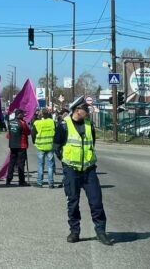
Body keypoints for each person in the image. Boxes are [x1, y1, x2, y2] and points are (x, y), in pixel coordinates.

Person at [54, 96, 112, 246]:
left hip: (89, 170)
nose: (88, 112)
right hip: (71, 171)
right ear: (77, 110)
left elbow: (91, 143)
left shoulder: (89, 125)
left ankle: (101, 231)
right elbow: (57, 146)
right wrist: (66, 161)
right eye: (86, 110)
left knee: (96, 202)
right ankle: (74, 231)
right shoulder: (63, 126)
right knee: (73, 202)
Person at [6, 109, 30, 187]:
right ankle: (21, 181)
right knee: (21, 164)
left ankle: (8, 179)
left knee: (12, 163)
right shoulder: (22, 123)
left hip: (12, 145)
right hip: (21, 145)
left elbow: (8, 134)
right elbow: (28, 132)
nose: (23, 115)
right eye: (22, 114)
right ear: (19, 114)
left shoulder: (10, 122)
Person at [33, 109, 56, 188]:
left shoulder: (37, 123)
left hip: (40, 146)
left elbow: (33, 134)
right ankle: (51, 183)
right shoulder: (52, 122)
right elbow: (55, 132)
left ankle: (39, 182)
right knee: (50, 165)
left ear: (40, 115)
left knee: (40, 165)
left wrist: (34, 142)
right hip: (50, 145)